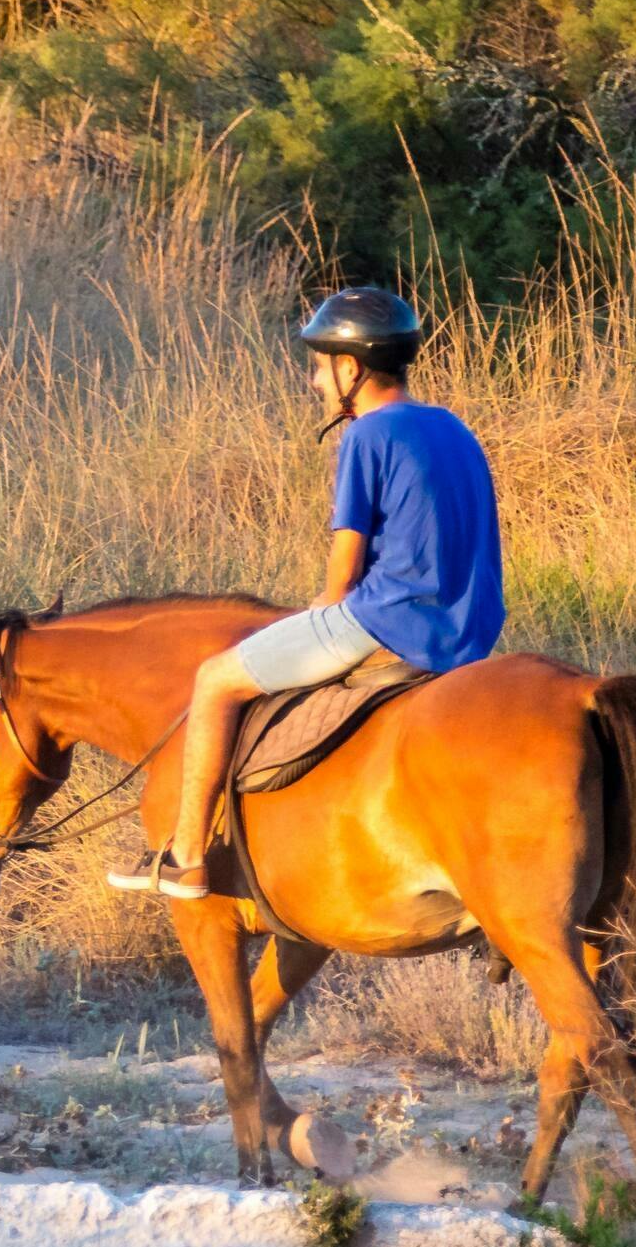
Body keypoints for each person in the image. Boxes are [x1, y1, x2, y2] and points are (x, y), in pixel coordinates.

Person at [115, 284, 505, 904]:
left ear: (350, 368)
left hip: (388, 622)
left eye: (319, 368)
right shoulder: (453, 428)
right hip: (470, 634)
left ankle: (186, 856)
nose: (315, 382)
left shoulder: (367, 436)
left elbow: (344, 567)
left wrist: (323, 607)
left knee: (216, 679)